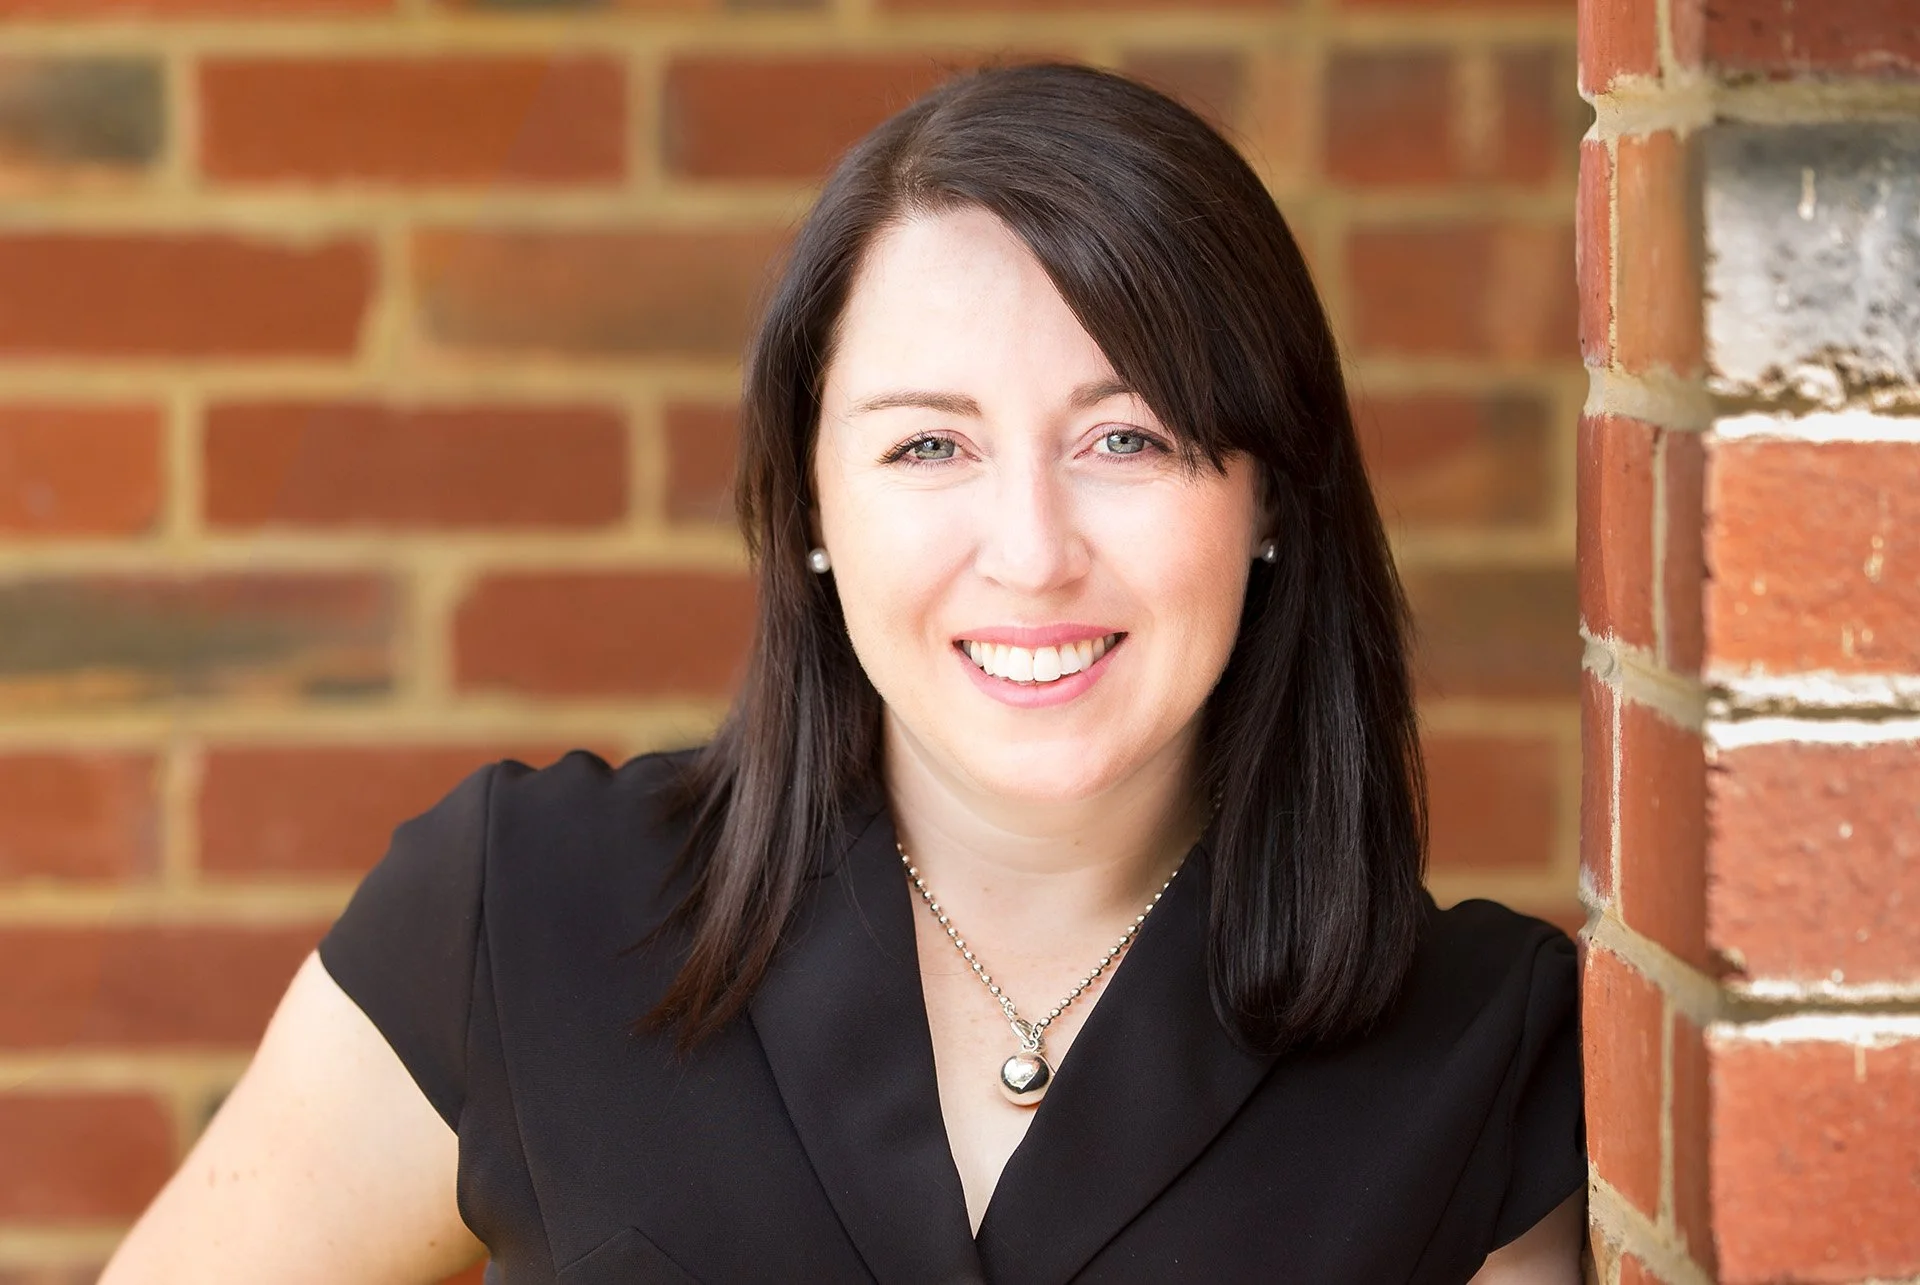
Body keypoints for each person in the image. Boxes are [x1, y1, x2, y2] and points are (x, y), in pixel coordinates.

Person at [100, 62, 1585, 1284]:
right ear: (810, 507)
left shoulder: (1482, 1056)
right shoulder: (522, 913)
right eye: (929, 444)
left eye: (1125, 438)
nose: (1031, 550)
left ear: (1267, 496)